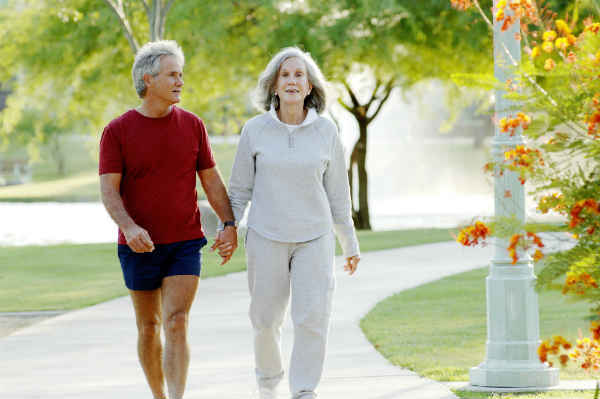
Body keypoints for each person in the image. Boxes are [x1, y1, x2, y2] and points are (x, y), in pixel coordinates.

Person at [218, 47, 360, 399]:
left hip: (315, 238)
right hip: (266, 236)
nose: (292, 80)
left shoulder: (327, 132)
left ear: (310, 87)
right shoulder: (254, 130)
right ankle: (269, 383)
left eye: (300, 75)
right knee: (265, 320)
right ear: (274, 86)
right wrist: (229, 228)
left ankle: (304, 389)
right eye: (285, 75)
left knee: (312, 318)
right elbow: (239, 191)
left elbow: (339, 196)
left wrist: (350, 243)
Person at [99, 40, 237, 399]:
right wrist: (128, 227)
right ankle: (159, 396)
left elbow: (211, 179)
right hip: (138, 245)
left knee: (177, 321)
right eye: (172, 75)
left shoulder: (192, 125)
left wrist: (228, 224)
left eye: (181, 75)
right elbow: (109, 191)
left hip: (184, 242)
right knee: (148, 326)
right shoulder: (117, 131)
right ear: (148, 80)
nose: (180, 81)